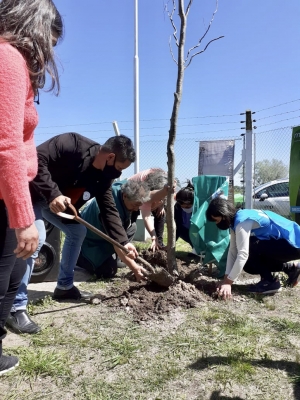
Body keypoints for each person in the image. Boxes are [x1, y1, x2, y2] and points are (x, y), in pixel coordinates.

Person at [6, 133, 142, 335]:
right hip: (32, 193)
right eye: (120, 168)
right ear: (110, 157)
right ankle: (15, 307)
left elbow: (108, 209)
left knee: (77, 230)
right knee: (38, 237)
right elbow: (35, 160)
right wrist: (53, 193)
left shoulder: (104, 176)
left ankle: (64, 287)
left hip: (57, 205)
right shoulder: (71, 144)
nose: (118, 174)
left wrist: (123, 242)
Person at [0, 0, 63, 374]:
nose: (50, 51)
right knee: (5, 273)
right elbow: (6, 145)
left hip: (7, 195)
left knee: (7, 273)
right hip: (5, 198)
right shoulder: (9, 59)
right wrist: (22, 217)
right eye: (51, 39)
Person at [206, 197, 300, 299]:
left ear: (223, 214)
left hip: (294, 243)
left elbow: (243, 254)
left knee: (250, 245)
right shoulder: (236, 221)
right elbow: (233, 251)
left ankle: (269, 282)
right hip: (285, 244)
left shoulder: (242, 222)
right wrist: (226, 279)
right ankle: (291, 268)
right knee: (248, 264)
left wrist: (228, 283)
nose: (216, 223)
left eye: (216, 220)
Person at [77, 180, 150, 279]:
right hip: (89, 240)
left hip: (105, 235)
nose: (136, 209)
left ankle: (118, 257)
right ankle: (81, 258)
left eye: (139, 205)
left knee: (132, 227)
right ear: (124, 196)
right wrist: (134, 267)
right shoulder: (109, 208)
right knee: (108, 271)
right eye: (135, 205)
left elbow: (119, 237)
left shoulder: (126, 188)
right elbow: (116, 241)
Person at [129, 168, 171, 251]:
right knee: (131, 220)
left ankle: (159, 244)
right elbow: (147, 217)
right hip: (132, 192)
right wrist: (153, 237)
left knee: (160, 213)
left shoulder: (165, 179)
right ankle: (125, 244)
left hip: (152, 189)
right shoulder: (143, 190)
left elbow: (165, 193)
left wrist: (161, 205)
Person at [174, 180, 195, 248]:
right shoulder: (177, 207)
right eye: (182, 206)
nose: (185, 208)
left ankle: (197, 248)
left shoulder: (199, 209)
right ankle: (194, 247)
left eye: (188, 206)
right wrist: (172, 244)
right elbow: (178, 226)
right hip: (186, 231)